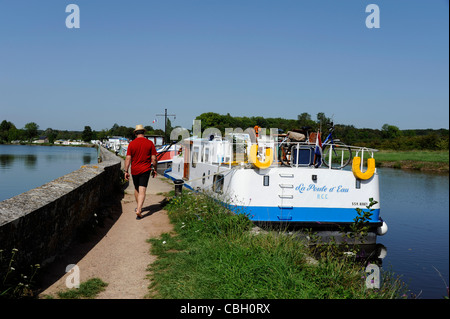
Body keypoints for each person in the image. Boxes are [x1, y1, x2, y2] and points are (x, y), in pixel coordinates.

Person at [124, 124, 158, 218]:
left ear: (135, 133)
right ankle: (139, 209)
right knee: (142, 189)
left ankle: (138, 207)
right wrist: (155, 169)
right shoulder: (149, 143)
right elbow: (154, 159)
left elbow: (128, 158)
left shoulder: (132, 144)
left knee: (136, 189)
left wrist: (125, 171)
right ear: (144, 132)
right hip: (145, 169)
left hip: (134, 170)